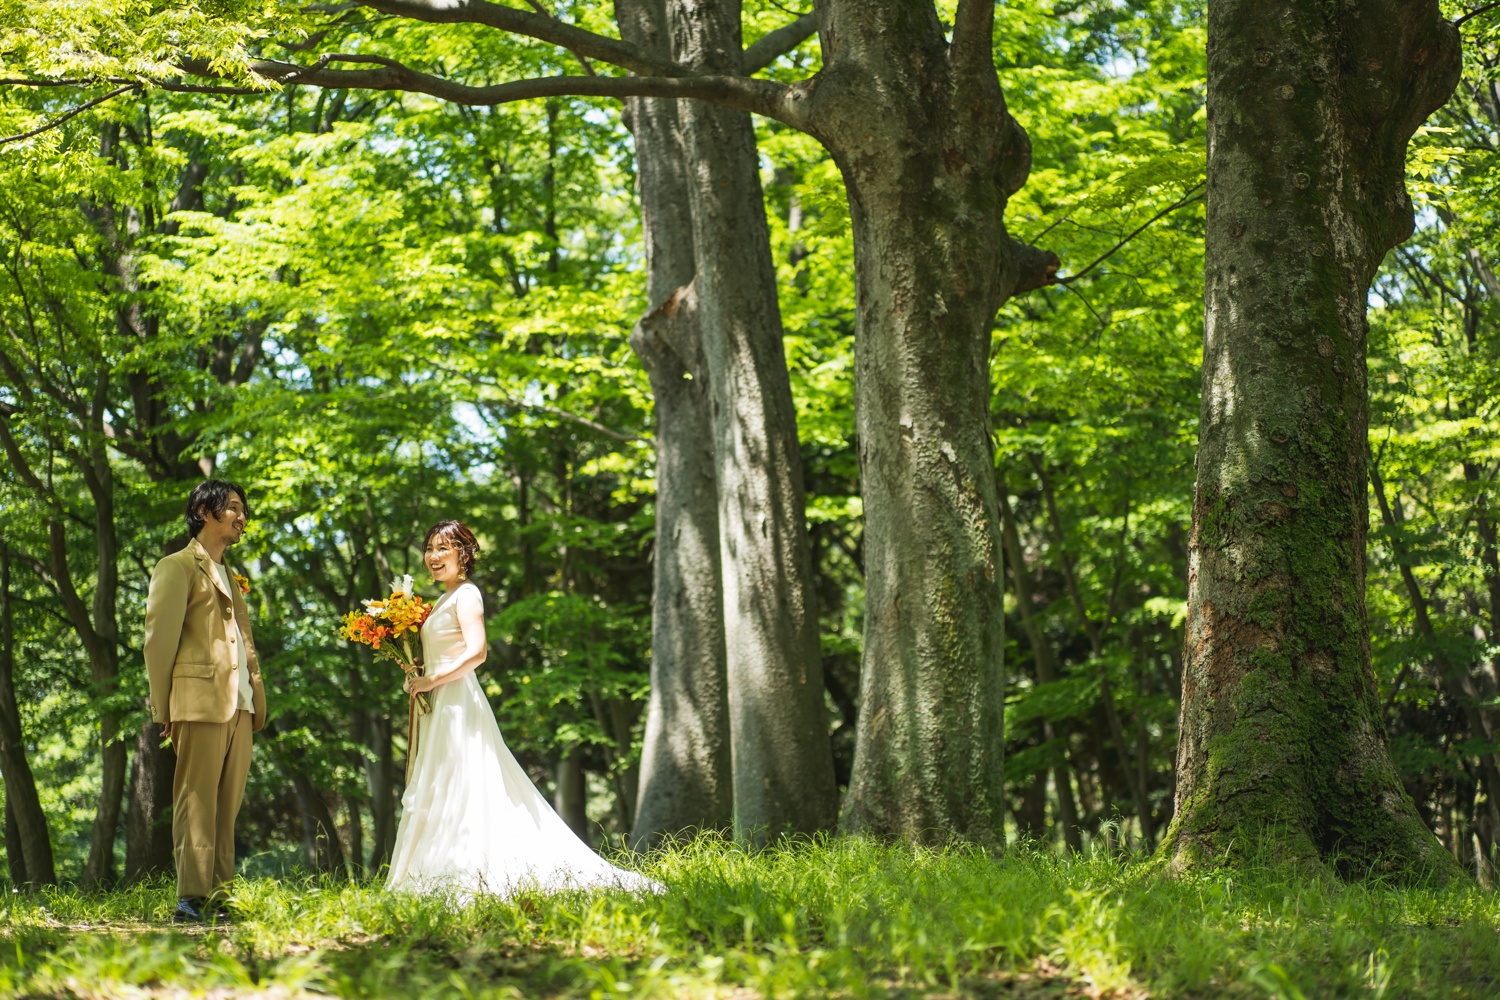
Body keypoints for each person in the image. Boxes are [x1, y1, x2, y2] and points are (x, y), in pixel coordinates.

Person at [385, 519, 659, 898]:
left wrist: (432, 680)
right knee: (438, 784)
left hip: (457, 703)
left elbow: (477, 652)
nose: (433, 556)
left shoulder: (467, 595)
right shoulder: (441, 601)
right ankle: (428, 873)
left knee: (462, 781)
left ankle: (469, 872)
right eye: (430, 549)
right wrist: (416, 673)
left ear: (463, 555)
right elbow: (442, 654)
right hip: (439, 702)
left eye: (442, 549)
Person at [143, 480, 266, 924]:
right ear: (204, 511)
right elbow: (159, 642)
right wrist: (164, 708)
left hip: (242, 705)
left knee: (225, 806)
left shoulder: (231, 574)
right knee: (195, 800)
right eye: (232, 508)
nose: (241, 516)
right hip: (198, 702)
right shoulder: (176, 567)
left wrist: (254, 694)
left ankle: (219, 894)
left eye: (242, 509)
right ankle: (190, 897)